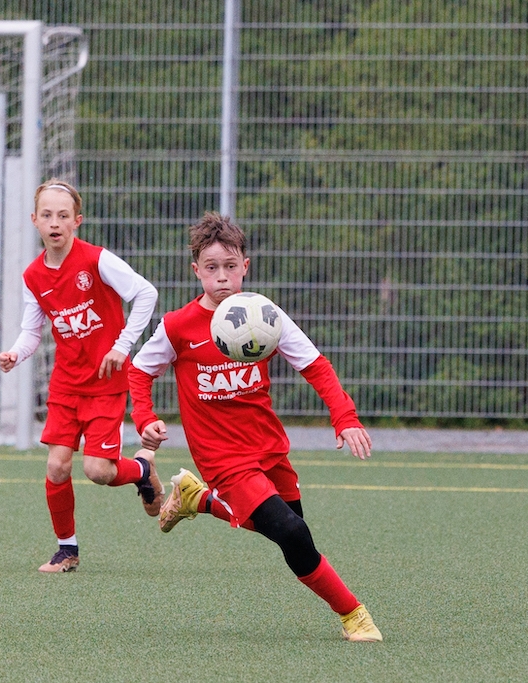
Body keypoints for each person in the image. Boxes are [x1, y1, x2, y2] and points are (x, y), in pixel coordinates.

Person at [127, 212, 383, 642]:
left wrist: (345, 417)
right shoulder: (178, 327)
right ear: (196, 271)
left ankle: (197, 499)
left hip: (267, 445)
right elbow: (139, 370)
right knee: (292, 533)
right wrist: (144, 418)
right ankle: (353, 615)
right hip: (221, 457)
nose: (221, 277)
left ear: (245, 266)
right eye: (211, 268)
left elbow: (315, 365)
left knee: (292, 524)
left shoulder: (264, 315)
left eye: (230, 266)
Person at [0, 178, 163, 573]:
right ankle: (66, 550)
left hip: (105, 385)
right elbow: (32, 331)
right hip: (66, 386)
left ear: (77, 221)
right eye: (47, 215)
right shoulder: (33, 276)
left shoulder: (97, 261)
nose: (55, 223)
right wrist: (15, 353)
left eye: (63, 215)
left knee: (98, 471)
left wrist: (122, 345)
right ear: (35, 220)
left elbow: (146, 294)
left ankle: (142, 471)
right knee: (57, 466)